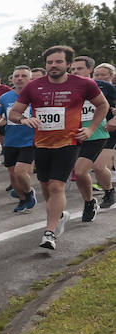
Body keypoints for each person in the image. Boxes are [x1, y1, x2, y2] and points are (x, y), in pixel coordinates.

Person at [8, 45, 107, 249]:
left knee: (56, 185)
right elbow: (14, 113)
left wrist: (90, 130)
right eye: (50, 62)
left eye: (58, 62)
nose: (53, 65)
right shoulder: (33, 86)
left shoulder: (83, 84)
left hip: (69, 142)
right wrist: (24, 120)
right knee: (45, 186)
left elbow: (103, 105)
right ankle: (59, 215)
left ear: (68, 64)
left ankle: (50, 232)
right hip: (42, 143)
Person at [66, 56, 116, 221]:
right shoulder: (66, 87)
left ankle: (109, 191)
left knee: (97, 167)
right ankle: (90, 201)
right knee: (80, 173)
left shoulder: (103, 86)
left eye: (79, 68)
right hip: (75, 133)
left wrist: (113, 120)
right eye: (72, 69)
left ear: (90, 70)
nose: (75, 72)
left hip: (100, 131)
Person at [0, 67, 37, 213]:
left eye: (24, 76)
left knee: (20, 172)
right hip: (10, 141)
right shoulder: (5, 97)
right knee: (13, 176)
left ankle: (28, 193)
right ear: (12, 79)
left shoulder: (36, 96)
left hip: (30, 140)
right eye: (17, 76)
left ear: (30, 79)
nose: (19, 78)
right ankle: (22, 199)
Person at [93, 62, 116, 209]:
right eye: (97, 75)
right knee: (97, 167)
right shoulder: (88, 88)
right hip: (95, 131)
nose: (100, 77)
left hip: (110, 131)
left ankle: (109, 192)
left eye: (103, 74)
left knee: (99, 165)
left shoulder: (111, 89)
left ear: (112, 76)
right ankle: (108, 189)